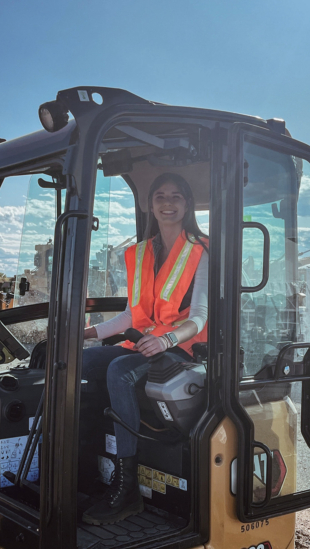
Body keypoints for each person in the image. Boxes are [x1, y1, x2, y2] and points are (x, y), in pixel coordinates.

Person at [81, 173, 209, 526]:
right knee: (80, 361)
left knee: (119, 372)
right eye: (160, 196)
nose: (168, 203)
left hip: (183, 348)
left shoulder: (201, 250)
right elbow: (131, 314)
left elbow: (199, 316)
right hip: (145, 343)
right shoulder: (142, 253)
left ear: (187, 204)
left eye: (177, 196)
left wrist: (167, 340)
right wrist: (88, 333)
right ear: (148, 204)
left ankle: (127, 488)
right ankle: (83, 462)